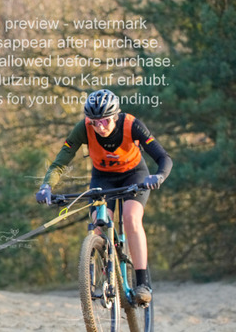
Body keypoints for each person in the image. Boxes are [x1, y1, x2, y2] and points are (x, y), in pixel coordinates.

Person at [35, 89, 172, 305]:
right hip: (103, 178)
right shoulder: (83, 128)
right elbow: (60, 162)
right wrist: (46, 186)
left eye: (105, 121)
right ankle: (105, 274)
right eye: (94, 122)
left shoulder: (131, 125)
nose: (100, 127)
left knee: (131, 218)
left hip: (134, 175)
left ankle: (143, 284)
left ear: (115, 116)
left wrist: (159, 176)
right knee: (98, 223)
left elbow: (163, 157)